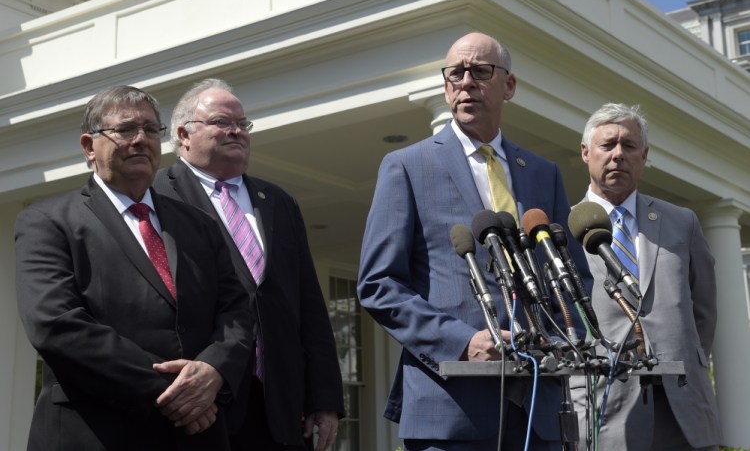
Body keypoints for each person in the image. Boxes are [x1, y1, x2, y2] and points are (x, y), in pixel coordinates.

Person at [357, 32, 592, 450]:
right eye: (455, 73)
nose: (466, 82)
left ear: (510, 85)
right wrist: (461, 342)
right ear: (446, 86)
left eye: (480, 71)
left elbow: (571, 275)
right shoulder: (406, 166)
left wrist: (561, 338)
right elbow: (379, 286)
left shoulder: (543, 173)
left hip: (539, 409)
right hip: (451, 409)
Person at [15, 86, 254, 450]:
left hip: (196, 436)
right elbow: (56, 324)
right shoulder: (46, 221)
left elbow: (235, 311)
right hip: (95, 431)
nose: (141, 140)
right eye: (126, 129)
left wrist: (215, 371)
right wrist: (176, 392)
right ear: (88, 146)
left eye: (150, 130)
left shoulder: (199, 225)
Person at [153, 78, 344, 451]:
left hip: (281, 408)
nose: (237, 132)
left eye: (243, 124)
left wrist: (323, 398)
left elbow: (308, 304)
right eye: (223, 122)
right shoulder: (157, 196)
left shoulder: (278, 201)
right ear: (183, 134)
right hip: (201, 403)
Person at [572, 103, 721, 450]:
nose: (618, 155)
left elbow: (705, 311)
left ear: (645, 155)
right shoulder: (562, 230)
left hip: (683, 408)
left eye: (629, 146)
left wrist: (681, 356)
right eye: (607, 145)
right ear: (585, 152)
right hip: (604, 409)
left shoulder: (683, 221)